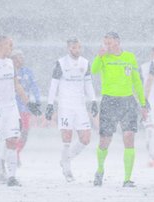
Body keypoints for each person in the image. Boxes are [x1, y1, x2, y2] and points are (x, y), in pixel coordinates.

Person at [0, 36, 42, 186]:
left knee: (12, 140)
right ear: (1, 45)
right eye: (10, 45)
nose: (12, 48)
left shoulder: (10, 63)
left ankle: (11, 177)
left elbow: (17, 85)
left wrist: (28, 103)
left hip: (11, 108)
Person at [91, 32, 148, 187]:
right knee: (105, 140)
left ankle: (127, 179)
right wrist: (99, 56)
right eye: (105, 43)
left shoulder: (129, 57)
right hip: (109, 101)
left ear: (117, 42)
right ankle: (100, 169)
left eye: (109, 43)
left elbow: (136, 81)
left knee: (129, 137)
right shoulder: (104, 57)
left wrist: (143, 104)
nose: (106, 46)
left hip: (127, 102)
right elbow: (94, 70)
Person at [44, 37, 98, 182]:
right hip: (65, 106)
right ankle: (67, 168)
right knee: (67, 138)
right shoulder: (61, 63)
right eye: (74, 48)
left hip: (80, 106)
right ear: (69, 48)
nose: (77, 50)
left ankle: (65, 159)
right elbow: (54, 85)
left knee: (86, 139)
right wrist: (50, 104)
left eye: (79, 47)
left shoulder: (85, 63)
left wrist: (93, 101)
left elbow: (88, 84)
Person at [10, 49, 41, 166]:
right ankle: (9, 156)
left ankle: (16, 152)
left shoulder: (27, 72)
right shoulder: (7, 72)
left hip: (25, 108)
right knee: (12, 133)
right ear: (12, 59)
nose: (21, 60)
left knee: (25, 132)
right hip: (11, 108)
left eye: (22, 57)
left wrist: (37, 101)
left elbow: (35, 87)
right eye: (18, 57)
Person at [140, 46, 154, 167]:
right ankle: (151, 157)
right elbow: (137, 84)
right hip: (148, 103)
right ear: (151, 55)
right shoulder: (143, 67)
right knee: (149, 131)